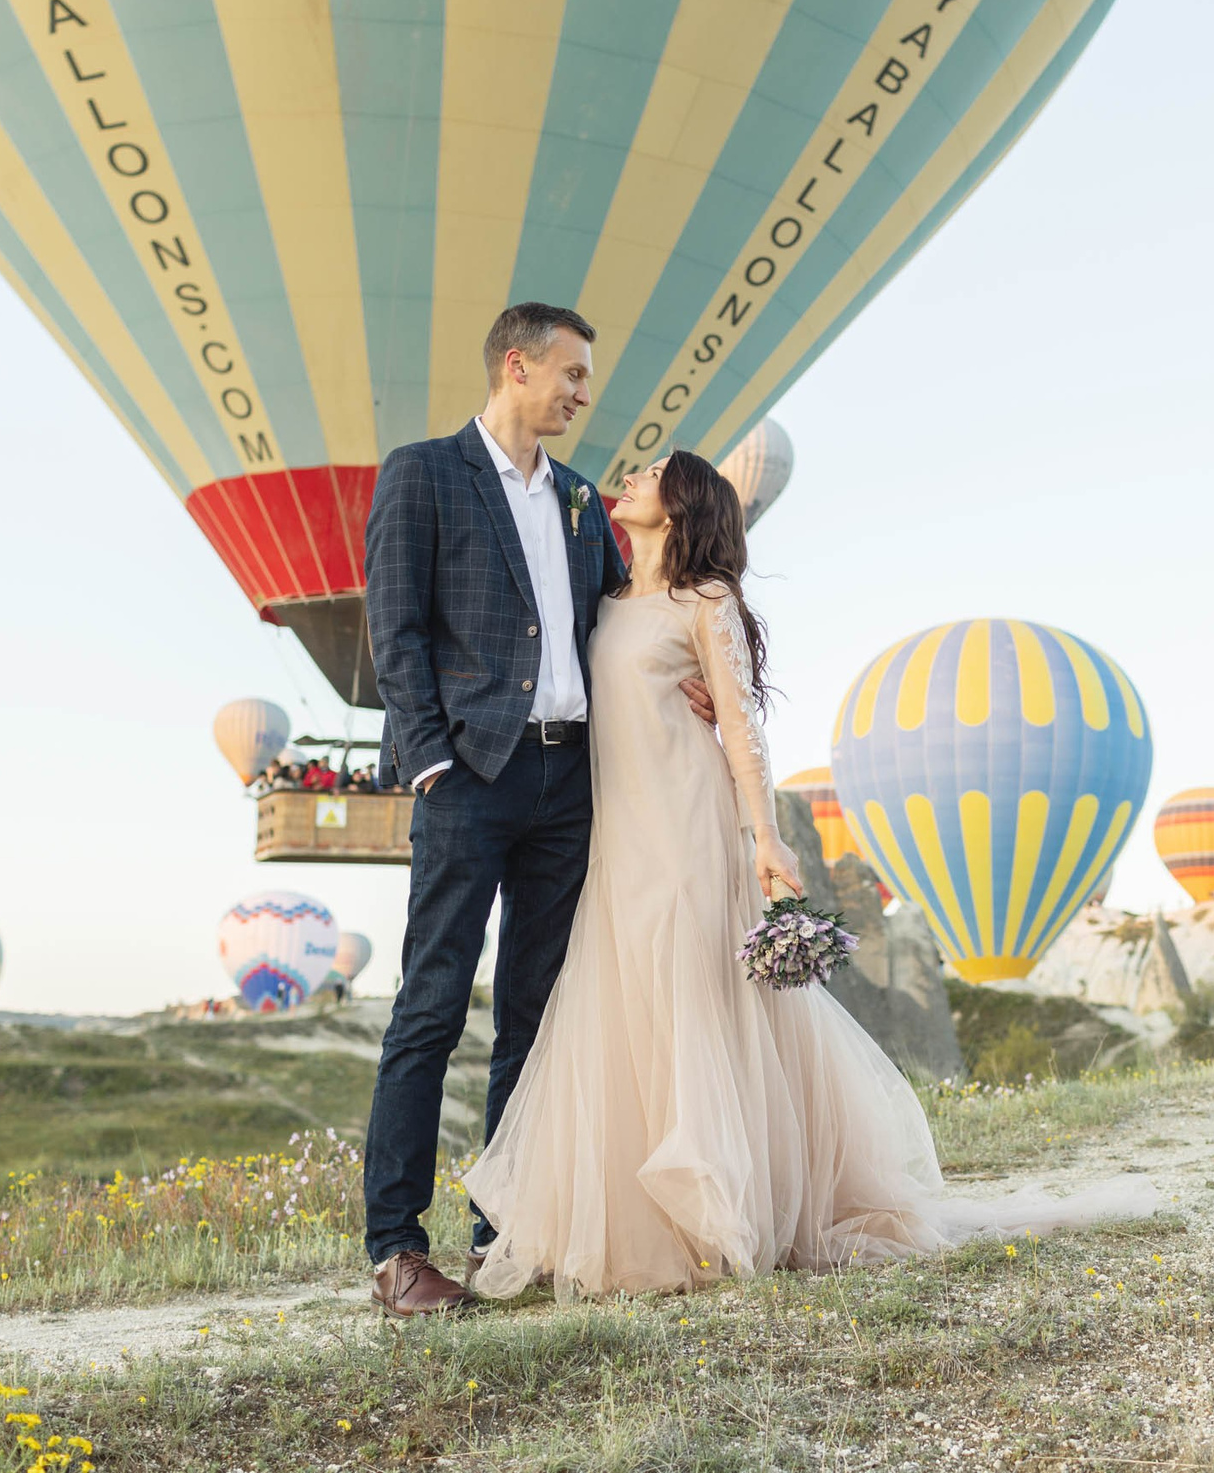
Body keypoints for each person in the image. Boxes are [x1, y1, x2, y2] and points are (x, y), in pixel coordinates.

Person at [459, 452, 1151, 1304]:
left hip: (685, 828)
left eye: (651, 474)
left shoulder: (705, 602)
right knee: (630, 1007)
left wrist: (767, 841)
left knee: (692, 1006)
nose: (630, 476)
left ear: (680, 509)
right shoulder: (605, 601)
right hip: (618, 840)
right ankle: (643, 1215)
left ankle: (715, 1214)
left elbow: (741, 732)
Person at [360, 301, 715, 1316]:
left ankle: (503, 1232)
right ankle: (396, 1253)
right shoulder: (422, 473)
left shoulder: (574, 498)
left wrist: (692, 667)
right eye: (571, 374)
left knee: (537, 1013)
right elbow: (397, 626)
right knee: (429, 1007)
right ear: (516, 365)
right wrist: (431, 763)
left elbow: (620, 609)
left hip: (570, 783)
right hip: (469, 777)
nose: (583, 393)